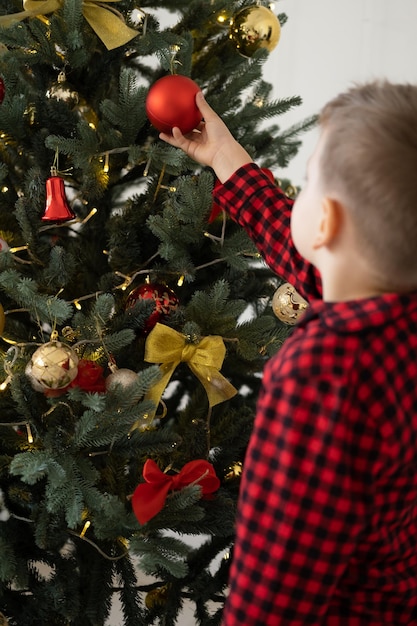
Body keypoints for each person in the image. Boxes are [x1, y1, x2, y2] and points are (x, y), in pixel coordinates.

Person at [160, 82, 417, 625]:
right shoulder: (394, 308)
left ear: (324, 223)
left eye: (305, 186)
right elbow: (314, 263)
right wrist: (226, 155)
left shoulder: (324, 375)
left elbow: (274, 596)